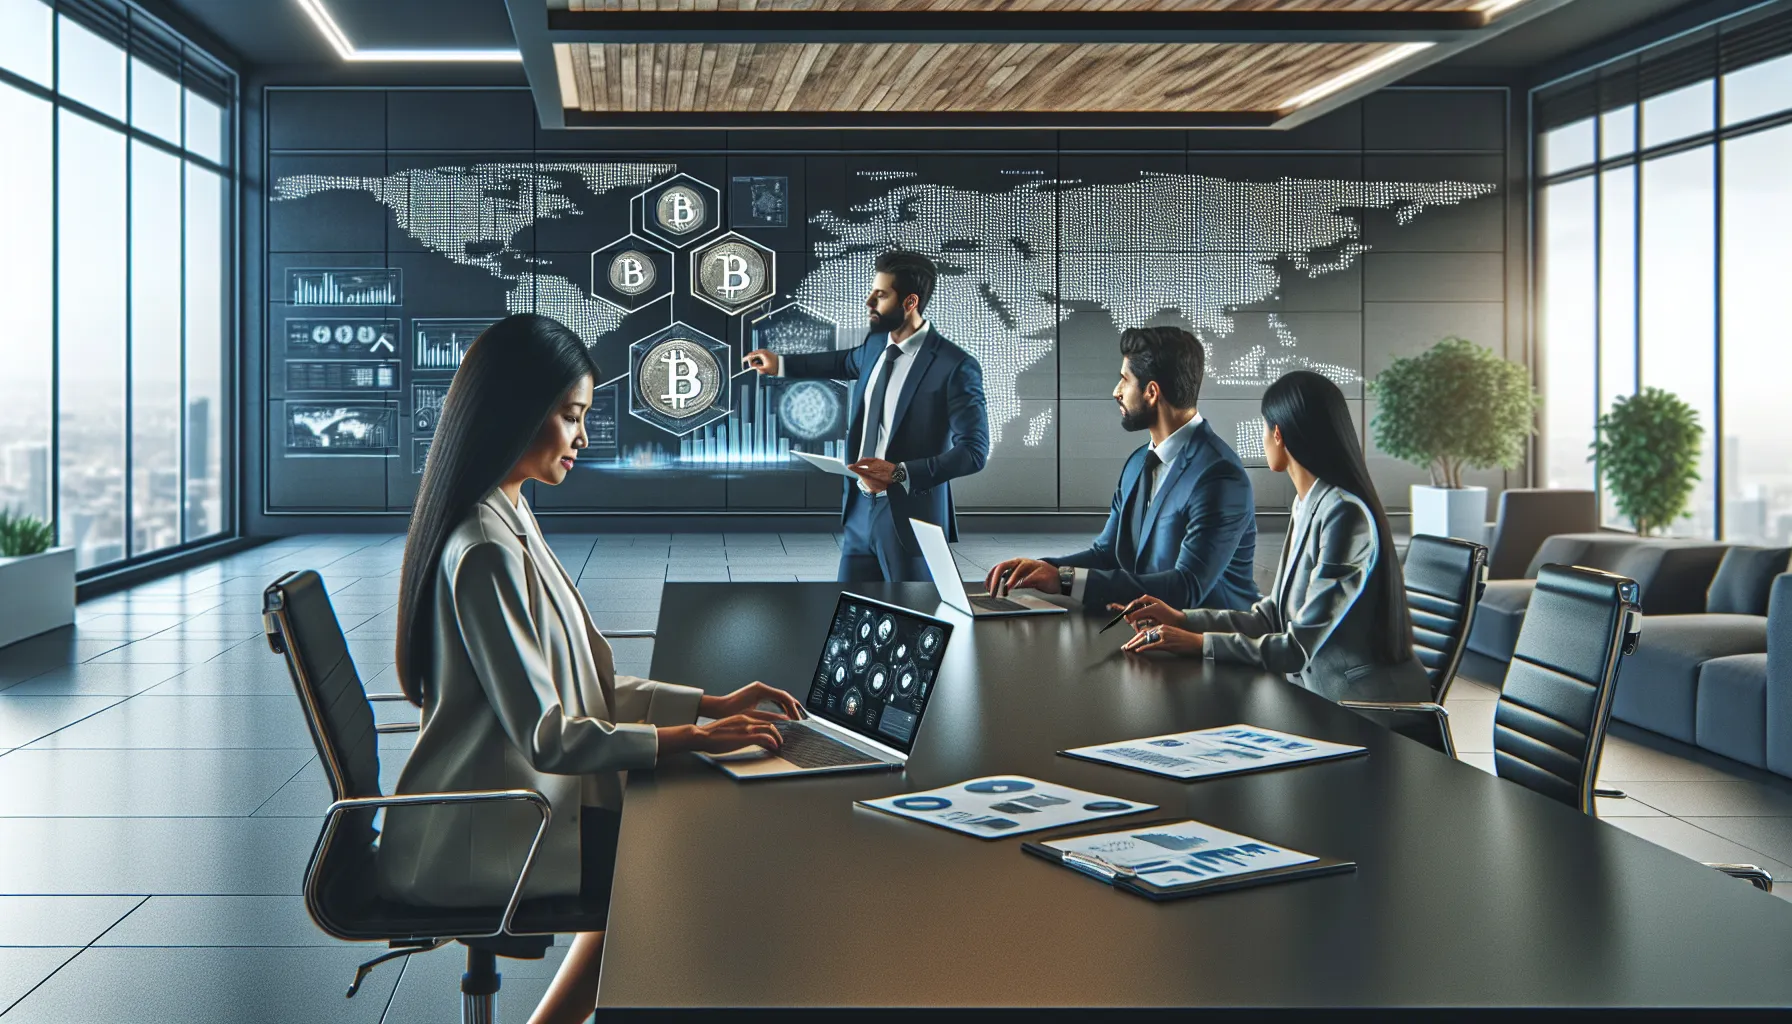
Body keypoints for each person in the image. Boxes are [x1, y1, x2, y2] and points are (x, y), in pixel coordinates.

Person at [386, 314, 806, 1024]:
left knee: (668, 844)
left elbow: (580, 685)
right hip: (496, 826)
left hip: (514, 803)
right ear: (517, 412)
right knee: (678, 865)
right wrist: (692, 740)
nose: (583, 437)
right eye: (571, 416)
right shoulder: (485, 548)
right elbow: (549, 735)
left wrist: (708, 706)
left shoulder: (510, 513)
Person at [1116, 369, 1428, 704]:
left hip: (1356, 703)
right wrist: (1181, 619)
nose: (1263, 438)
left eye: (1264, 428)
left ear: (1278, 434)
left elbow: (1296, 649)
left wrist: (1199, 644)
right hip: (1310, 694)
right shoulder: (1306, 505)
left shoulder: (1344, 514)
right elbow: (1272, 617)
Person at [744, 249, 988, 582]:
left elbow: (974, 452)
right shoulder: (875, 345)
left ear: (910, 302)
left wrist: (899, 473)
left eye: (881, 295)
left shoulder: (954, 366)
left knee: (910, 608)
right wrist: (781, 364)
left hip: (909, 517)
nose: (869, 302)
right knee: (848, 606)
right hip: (859, 509)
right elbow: (842, 362)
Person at [982, 326, 1258, 612]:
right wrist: (1043, 569)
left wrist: (1065, 580)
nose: (1116, 392)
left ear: (1151, 392)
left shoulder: (1220, 477)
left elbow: (1186, 588)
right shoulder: (1138, 463)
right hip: (1144, 626)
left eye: (1125, 380)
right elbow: (1107, 555)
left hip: (1209, 635)